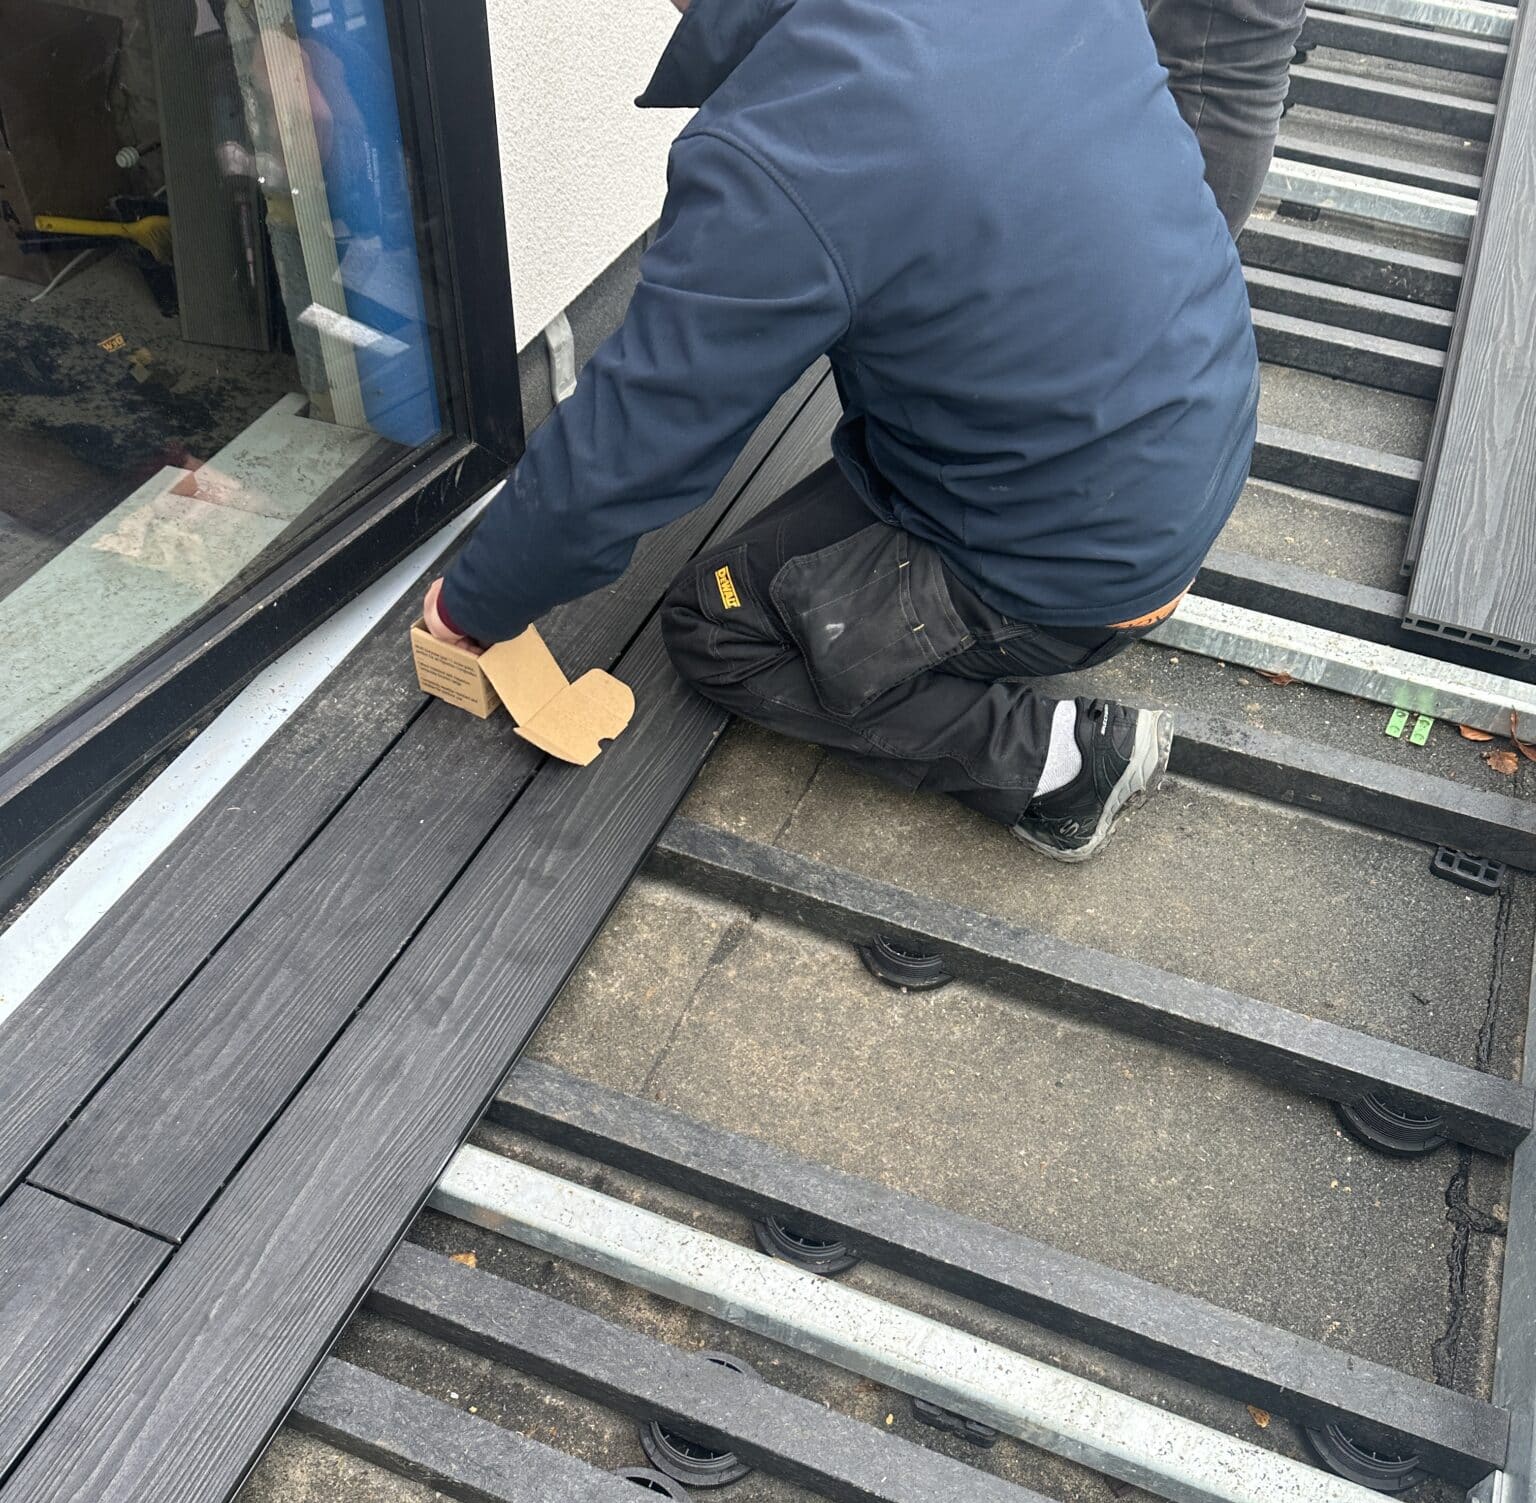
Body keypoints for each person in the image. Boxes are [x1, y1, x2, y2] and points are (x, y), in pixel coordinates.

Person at [425, 0, 1305, 862]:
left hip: (1077, 560)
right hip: (1194, 431)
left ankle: (1060, 764)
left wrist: (474, 607)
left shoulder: (791, 149)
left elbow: (629, 450)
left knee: (716, 622)